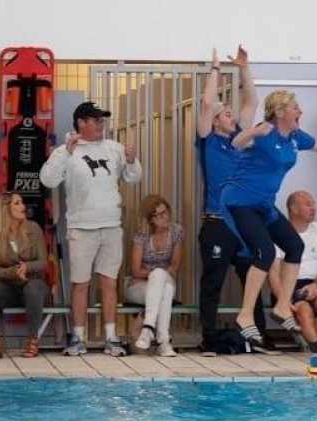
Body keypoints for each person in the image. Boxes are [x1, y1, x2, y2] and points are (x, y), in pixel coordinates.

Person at [225, 89, 317, 348]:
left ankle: (283, 306)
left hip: (264, 204)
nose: (301, 111)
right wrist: (253, 132)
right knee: (264, 252)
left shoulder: (295, 136)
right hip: (240, 201)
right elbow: (236, 143)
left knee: (295, 245)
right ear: (279, 112)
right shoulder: (265, 132)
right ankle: (245, 315)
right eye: (295, 107)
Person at [39, 101, 142, 357]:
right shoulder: (66, 150)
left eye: (102, 120)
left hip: (111, 226)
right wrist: (65, 153)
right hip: (81, 227)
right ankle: (78, 337)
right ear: (81, 123)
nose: (101, 125)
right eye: (96, 120)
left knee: (109, 282)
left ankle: (111, 338)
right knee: (80, 284)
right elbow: (47, 179)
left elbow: (133, 178)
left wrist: (131, 161)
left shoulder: (113, 148)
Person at [195, 46, 272, 356]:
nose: (233, 115)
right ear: (215, 122)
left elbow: (252, 101)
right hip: (216, 222)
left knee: (252, 278)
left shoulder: (240, 137)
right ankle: (209, 339)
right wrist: (215, 68)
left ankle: (258, 336)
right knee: (212, 282)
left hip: (242, 223)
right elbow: (206, 103)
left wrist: (244, 68)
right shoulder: (207, 140)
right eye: (226, 113)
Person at [0, 191, 50, 360]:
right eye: (17, 203)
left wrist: (27, 267)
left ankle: (32, 340)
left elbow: (43, 261)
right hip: (9, 286)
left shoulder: (33, 229)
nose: (23, 207)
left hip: (33, 283)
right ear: (5, 209)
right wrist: (11, 272)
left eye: (22, 202)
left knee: (33, 288)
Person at [268, 191, 317, 354]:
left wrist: (316, 285)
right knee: (304, 310)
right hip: (289, 286)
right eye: (308, 204)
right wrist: (283, 300)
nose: (313, 208)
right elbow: (273, 273)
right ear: (294, 209)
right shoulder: (278, 234)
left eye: (313, 203)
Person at [127, 194, 184, 357]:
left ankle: (148, 329)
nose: (164, 217)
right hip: (138, 286)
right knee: (165, 288)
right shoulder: (142, 235)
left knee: (162, 280)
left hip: (165, 280)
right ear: (150, 220)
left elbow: (174, 268)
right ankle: (163, 342)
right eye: (158, 215)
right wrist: (157, 273)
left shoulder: (177, 231)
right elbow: (136, 271)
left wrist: (154, 273)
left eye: (165, 212)